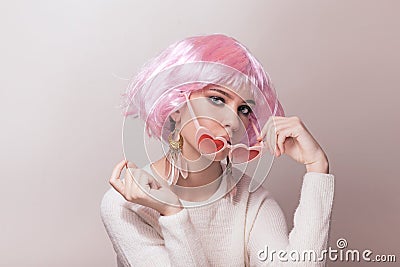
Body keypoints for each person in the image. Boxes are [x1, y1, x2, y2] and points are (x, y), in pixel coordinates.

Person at [100, 34, 334, 267]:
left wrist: (316, 167)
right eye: (217, 99)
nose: (233, 122)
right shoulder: (126, 204)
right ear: (176, 106)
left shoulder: (252, 200)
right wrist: (173, 213)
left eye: (243, 109)